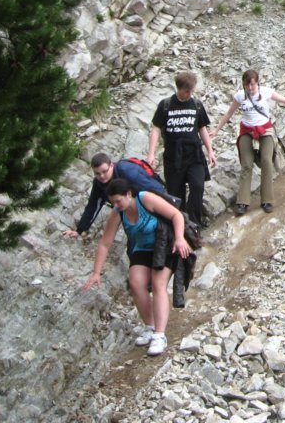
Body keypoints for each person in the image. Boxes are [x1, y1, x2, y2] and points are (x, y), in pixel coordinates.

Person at [82, 179, 192, 357]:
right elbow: (104, 243)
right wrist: (96, 273)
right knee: (135, 283)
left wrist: (180, 238)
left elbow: (176, 215)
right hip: (143, 247)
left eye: (118, 201)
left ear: (128, 194)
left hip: (165, 243)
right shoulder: (118, 212)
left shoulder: (145, 199)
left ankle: (160, 335)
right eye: (113, 202)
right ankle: (150, 326)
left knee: (158, 284)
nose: (116, 205)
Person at [210, 70, 285, 216]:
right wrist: (216, 130)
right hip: (247, 129)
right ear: (244, 85)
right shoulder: (240, 96)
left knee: (266, 161)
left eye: (253, 84)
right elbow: (229, 114)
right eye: (248, 85)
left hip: (265, 129)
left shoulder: (265, 92)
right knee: (246, 164)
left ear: (258, 83)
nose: (251, 88)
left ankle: (267, 200)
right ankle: (243, 202)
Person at [146, 71, 217, 228]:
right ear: (179, 88)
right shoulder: (165, 105)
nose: (190, 94)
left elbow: (202, 128)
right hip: (173, 157)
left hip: (194, 155)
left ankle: (195, 224)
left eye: (192, 91)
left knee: (198, 186)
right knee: (176, 194)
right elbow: (156, 129)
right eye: (187, 91)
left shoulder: (196, 104)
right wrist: (151, 154)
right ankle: (183, 227)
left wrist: (210, 151)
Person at [63, 153, 168, 238]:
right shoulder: (98, 183)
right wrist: (79, 230)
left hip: (154, 204)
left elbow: (155, 189)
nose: (102, 176)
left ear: (112, 165)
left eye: (104, 171)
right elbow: (93, 205)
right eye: (97, 173)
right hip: (130, 213)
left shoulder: (127, 171)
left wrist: (168, 211)